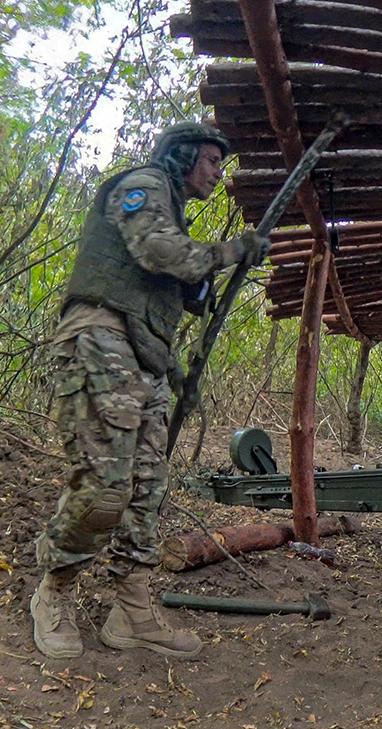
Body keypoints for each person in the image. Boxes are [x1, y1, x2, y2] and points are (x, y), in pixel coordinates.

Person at [30, 122, 271, 660]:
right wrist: (233, 250)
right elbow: (161, 253)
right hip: (100, 341)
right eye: (210, 160)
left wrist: (175, 365)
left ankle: (131, 609)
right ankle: (56, 588)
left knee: (145, 488)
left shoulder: (174, 210)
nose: (216, 172)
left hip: (145, 358)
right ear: (182, 156)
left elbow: (182, 288)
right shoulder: (142, 184)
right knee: (105, 487)